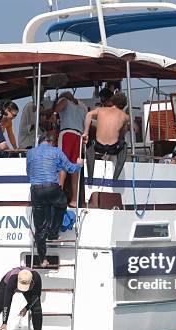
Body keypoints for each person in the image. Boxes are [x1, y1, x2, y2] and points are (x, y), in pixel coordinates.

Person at [27, 132, 83, 267]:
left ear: (39, 142)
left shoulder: (30, 153)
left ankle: (42, 260)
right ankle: (53, 233)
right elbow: (70, 168)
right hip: (52, 188)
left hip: (36, 190)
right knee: (62, 203)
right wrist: (79, 164)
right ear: (51, 142)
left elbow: (29, 172)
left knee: (39, 228)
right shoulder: (56, 151)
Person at [82, 92, 129, 183]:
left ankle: (90, 177)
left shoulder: (100, 110)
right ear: (124, 105)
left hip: (98, 146)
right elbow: (123, 134)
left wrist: (86, 133)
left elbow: (88, 115)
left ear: (113, 101)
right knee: (124, 145)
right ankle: (115, 177)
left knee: (90, 144)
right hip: (113, 147)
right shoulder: (124, 116)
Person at [54, 91, 88, 207]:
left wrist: (52, 112)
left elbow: (57, 109)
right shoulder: (82, 106)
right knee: (75, 167)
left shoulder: (65, 101)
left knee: (62, 164)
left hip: (67, 133)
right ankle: (74, 199)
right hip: (78, 136)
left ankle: (58, 194)